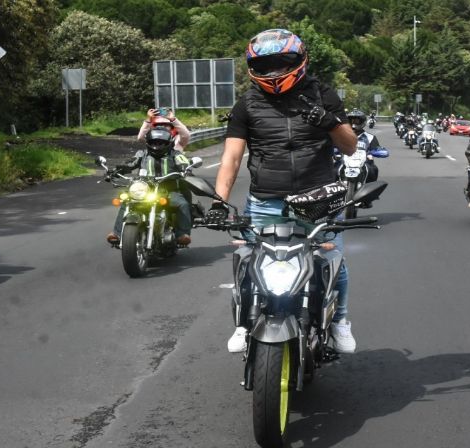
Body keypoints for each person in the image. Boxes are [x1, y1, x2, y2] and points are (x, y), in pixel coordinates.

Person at [207, 28, 358, 354]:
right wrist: (219, 202)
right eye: (266, 65)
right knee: (248, 261)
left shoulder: (323, 94)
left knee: (333, 261)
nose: (274, 72)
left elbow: (349, 146)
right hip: (265, 202)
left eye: (282, 62)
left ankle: (340, 320)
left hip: (319, 201)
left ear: (300, 60)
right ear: (253, 68)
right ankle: (244, 323)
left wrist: (329, 121)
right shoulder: (246, 104)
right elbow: (231, 159)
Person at [105, 118, 194, 246]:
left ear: (168, 142)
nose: (157, 145)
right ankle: (117, 233)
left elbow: (184, 163)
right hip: (144, 189)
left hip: (168, 190)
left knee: (182, 204)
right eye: (154, 142)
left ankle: (183, 234)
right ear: (148, 142)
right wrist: (115, 170)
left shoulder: (175, 155)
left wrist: (186, 170)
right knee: (126, 201)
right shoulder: (142, 154)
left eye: (161, 142)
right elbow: (130, 164)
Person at [346, 108, 381, 184]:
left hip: (365, 163)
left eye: (356, 121)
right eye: (351, 121)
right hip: (344, 162)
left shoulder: (370, 137)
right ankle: (332, 194)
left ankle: (371, 195)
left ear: (362, 122)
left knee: (373, 170)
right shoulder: (342, 136)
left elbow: (378, 149)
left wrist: (377, 152)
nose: (353, 123)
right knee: (334, 170)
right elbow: (333, 147)